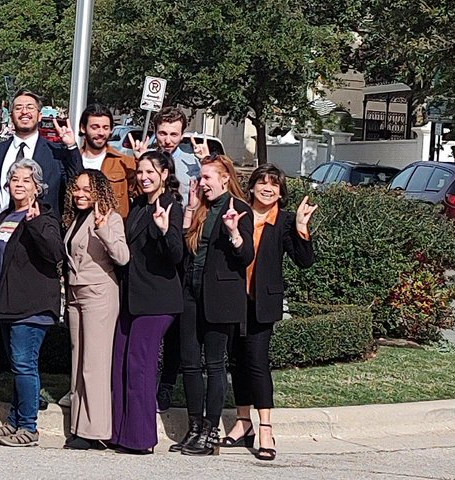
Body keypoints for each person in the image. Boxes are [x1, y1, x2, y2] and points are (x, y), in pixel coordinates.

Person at [0, 89, 82, 401]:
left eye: (30, 108)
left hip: (34, 243)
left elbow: (77, 179)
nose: (24, 112)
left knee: (29, 319)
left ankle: (33, 388)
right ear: (10, 113)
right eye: (18, 107)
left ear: (39, 113)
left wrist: (71, 147)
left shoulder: (54, 152)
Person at [224, 165, 317, 461]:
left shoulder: (285, 222)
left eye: (274, 185)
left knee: (257, 362)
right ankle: (243, 422)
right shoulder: (237, 213)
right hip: (232, 298)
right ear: (251, 187)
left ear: (281, 192)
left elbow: (304, 261)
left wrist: (302, 227)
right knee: (236, 360)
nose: (268, 188)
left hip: (262, 302)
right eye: (262, 183)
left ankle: (265, 427)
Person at [0, 157, 64, 448]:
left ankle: (29, 427)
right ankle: (14, 422)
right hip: (7, 304)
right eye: (15, 179)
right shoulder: (6, 217)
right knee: (18, 365)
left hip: (32, 305)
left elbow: (55, 253)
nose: (19, 185)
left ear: (37, 187)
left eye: (26, 180)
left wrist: (36, 222)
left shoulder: (45, 216)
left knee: (25, 365)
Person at [173, 154, 254, 457]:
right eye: (201, 177)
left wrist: (234, 233)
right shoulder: (200, 209)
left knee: (215, 365)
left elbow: (245, 257)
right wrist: (189, 212)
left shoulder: (238, 209)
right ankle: (194, 427)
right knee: (191, 364)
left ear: (224, 177)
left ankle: (210, 431)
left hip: (220, 300)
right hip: (191, 295)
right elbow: (184, 252)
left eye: (207, 177)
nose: (202, 183)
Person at [131, 106, 209, 411]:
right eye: (162, 133)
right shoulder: (145, 161)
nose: (167, 140)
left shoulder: (194, 164)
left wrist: (204, 164)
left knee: (176, 325)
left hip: (184, 244)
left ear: (182, 134)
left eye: (174, 134)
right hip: (151, 247)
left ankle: (166, 385)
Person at [110, 149, 184, 455]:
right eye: (140, 172)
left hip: (157, 300)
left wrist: (166, 231)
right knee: (119, 362)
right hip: (131, 297)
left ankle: (140, 438)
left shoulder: (171, 206)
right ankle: (117, 432)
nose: (144, 177)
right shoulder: (139, 205)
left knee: (140, 365)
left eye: (150, 171)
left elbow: (176, 254)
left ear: (165, 174)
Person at [62, 170, 128, 449]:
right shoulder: (76, 218)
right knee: (78, 363)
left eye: (86, 190)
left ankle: (96, 431)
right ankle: (79, 426)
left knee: (95, 365)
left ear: (99, 191)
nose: (79, 194)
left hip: (99, 294)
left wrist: (102, 229)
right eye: (76, 189)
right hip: (77, 294)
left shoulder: (111, 218)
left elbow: (123, 257)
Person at [78, 103, 137, 218]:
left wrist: (142, 161)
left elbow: (142, 194)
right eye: (95, 127)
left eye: (105, 128)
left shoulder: (124, 163)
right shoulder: (72, 161)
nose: (101, 133)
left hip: (112, 231)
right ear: (83, 128)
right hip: (78, 230)